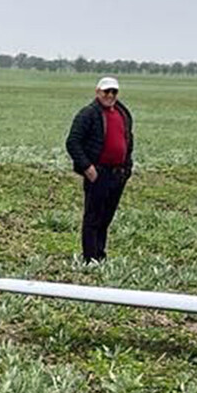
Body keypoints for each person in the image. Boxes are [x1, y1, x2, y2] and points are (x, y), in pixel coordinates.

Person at [65, 76, 135, 264]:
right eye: (106, 91)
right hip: (98, 173)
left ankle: (100, 254)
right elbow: (73, 142)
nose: (110, 95)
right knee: (93, 218)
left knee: (106, 217)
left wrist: (127, 167)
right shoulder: (88, 114)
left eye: (114, 92)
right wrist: (88, 168)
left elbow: (129, 140)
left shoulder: (123, 113)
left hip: (118, 174)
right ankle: (90, 258)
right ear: (98, 92)